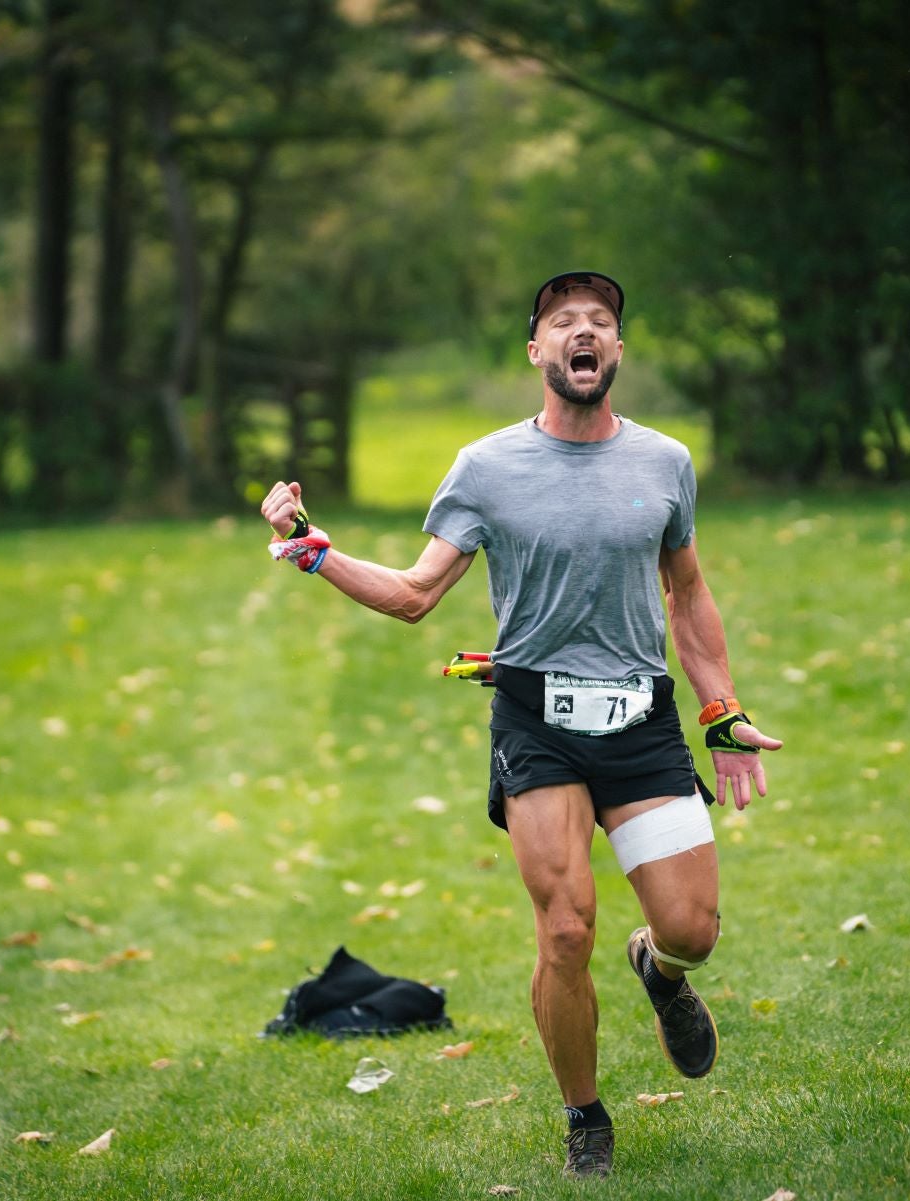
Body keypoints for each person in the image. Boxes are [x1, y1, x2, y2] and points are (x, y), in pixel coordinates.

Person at [259, 270, 783, 1179]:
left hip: (641, 717)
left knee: (693, 927)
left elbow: (687, 592)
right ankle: (586, 1115)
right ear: (537, 351)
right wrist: (316, 550)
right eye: (564, 322)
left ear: (618, 351)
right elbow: (418, 593)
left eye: (603, 322)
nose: (585, 333)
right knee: (565, 929)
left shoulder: (664, 462)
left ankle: (659, 972)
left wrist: (721, 708)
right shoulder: (487, 467)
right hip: (537, 719)